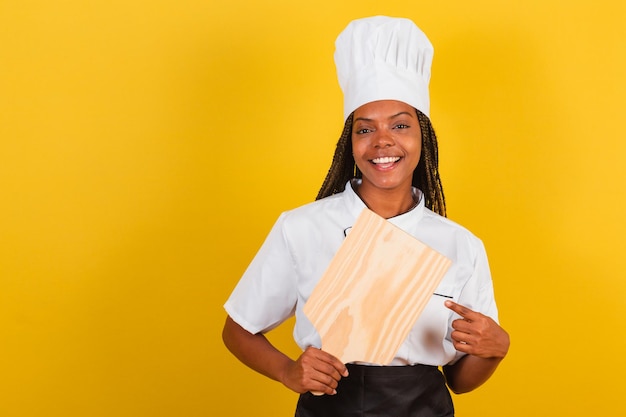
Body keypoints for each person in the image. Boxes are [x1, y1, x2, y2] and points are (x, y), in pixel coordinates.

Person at [222, 15, 510, 417]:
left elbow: (460, 382)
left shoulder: (461, 245)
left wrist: (494, 351)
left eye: (400, 125)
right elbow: (237, 329)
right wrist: (288, 371)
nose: (383, 142)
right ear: (350, 143)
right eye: (365, 129)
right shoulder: (302, 228)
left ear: (421, 138)